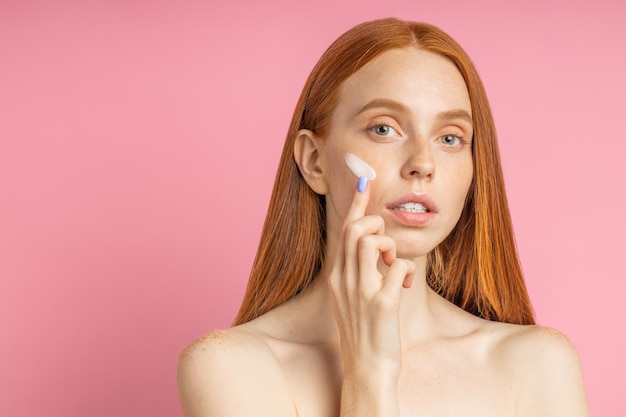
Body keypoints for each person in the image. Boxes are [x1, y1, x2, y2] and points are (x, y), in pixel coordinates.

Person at [177, 18, 589, 416]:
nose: (423, 164)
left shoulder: (538, 365)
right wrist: (369, 372)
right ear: (314, 161)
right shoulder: (229, 367)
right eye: (384, 129)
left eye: (450, 138)